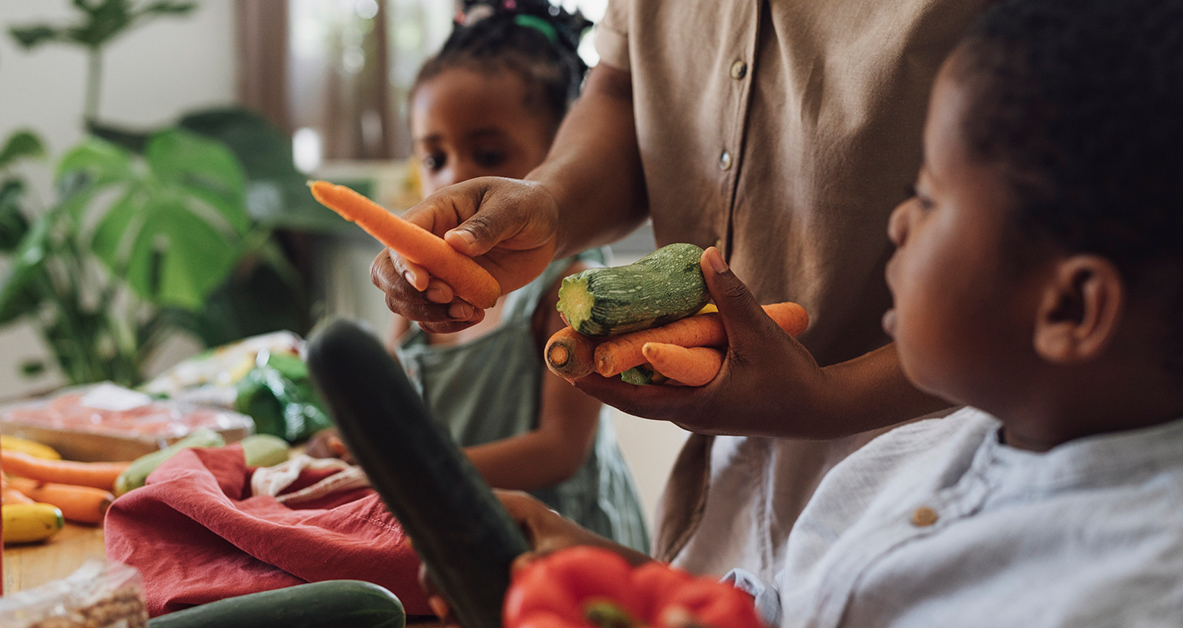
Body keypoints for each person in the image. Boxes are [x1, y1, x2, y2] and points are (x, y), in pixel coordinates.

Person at [428, 0, 1183, 623]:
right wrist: (601, 574)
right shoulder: (900, 468)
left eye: (929, 198)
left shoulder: (1129, 593)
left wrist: (830, 399)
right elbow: (775, 612)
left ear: (1074, 305)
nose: (898, 222)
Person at [371, 0, 992, 581]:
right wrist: (548, 201)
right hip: (722, 480)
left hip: (941, 461)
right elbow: (621, 89)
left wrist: (830, 401)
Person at [382, 0, 649, 552]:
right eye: (434, 159)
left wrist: (410, 473)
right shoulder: (421, 292)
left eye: (487, 152)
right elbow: (386, 401)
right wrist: (348, 441)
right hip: (468, 537)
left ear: (558, 156)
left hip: (565, 549)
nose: (455, 176)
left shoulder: (568, 288)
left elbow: (559, 448)